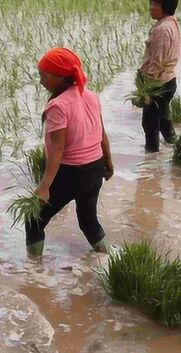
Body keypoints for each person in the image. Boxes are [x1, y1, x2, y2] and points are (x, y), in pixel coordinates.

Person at [25, 47, 114, 258]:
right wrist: (108, 164)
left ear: (60, 77)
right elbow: (101, 133)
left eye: (43, 76)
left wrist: (44, 187)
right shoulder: (90, 95)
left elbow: (57, 150)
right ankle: (108, 259)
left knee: (33, 220)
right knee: (88, 221)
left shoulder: (58, 105)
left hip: (71, 173)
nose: (40, 81)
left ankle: (33, 274)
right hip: (94, 168)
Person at [139, 0, 181, 153]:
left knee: (149, 123)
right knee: (162, 117)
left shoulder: (162, 29)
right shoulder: (170, 22)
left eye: (155, 4)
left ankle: (152, 162)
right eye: (151, 3)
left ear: (166, 7)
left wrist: (145, 91)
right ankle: (175, 144)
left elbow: (157, 62)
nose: (151, 8)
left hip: (158, 84)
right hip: (169, 81)